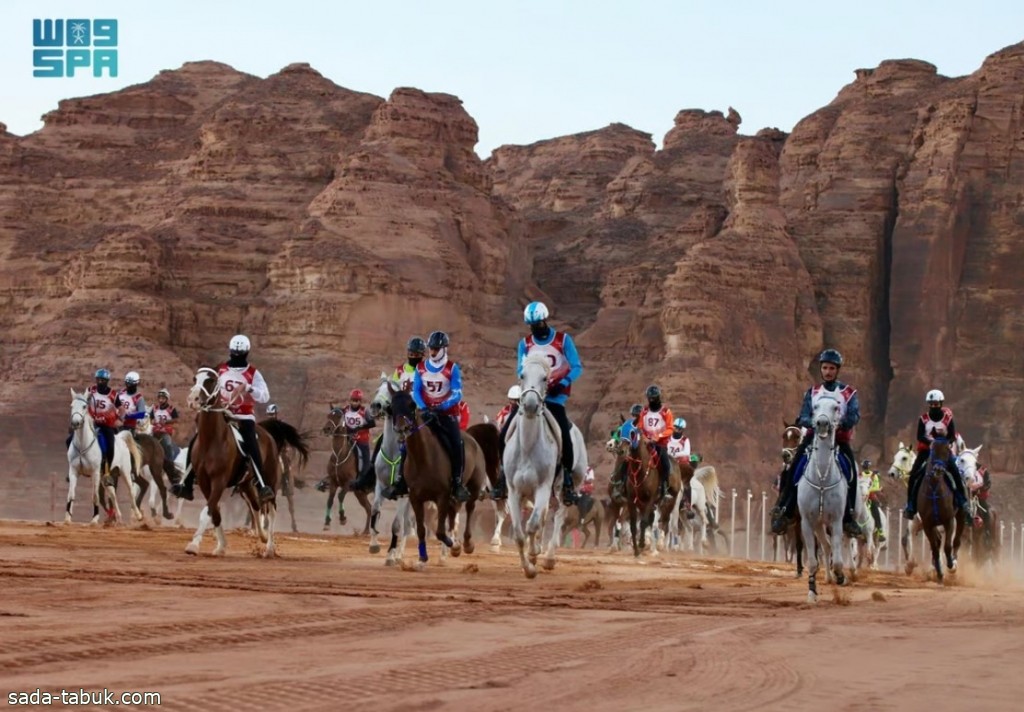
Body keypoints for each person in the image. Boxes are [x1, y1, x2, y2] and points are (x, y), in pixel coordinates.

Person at [491, 302, 584, 503]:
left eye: (538, 323)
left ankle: (567, 480)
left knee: (565, 437)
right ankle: (502, 477)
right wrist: (531, 384)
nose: (535, 328)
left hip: (554, 398)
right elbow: (520, 370)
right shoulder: (524, 344)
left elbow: (576, 367)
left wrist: (563, 381)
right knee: (505, 433)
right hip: (531, 397)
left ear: (545, 320)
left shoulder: (563, 340)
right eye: (532, 325)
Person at [770, 348, 863, 537]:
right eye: (825, 368)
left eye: (831, 368)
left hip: (839, 439)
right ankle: (785, 510)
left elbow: (854, 415)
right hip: (814, 438)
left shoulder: (849, 393)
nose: (828, 371)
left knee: (851, 472)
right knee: (793, 467)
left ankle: (848, 517)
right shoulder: (812, 392)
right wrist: (811, 422)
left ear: (837, 370)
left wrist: (840, 424)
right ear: (821, 369)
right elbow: (803, 415)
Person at [172, 334, 273, 503]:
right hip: (222, 412)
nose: (236, 355)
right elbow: (210, 389)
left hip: (243, 416)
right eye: (235, 352)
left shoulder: (253, 373)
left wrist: (248, 387)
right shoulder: (220, 370)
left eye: (238, 352)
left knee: (251, 443)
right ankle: (187, 483)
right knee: (197, 439)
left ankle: (262, 485)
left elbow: (265, 396)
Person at [382, 331, 470, 502]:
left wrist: (440, 406)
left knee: (457, 442)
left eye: (437, 349)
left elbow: (457, 393)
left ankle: (457, 483)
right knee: (409, 441)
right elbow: (416, 391)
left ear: (444, 349)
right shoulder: (421, 368)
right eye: (431, 348)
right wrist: (423, 407)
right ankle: (401, 480)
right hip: (425, 414)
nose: (433, 352)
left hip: (447, 415)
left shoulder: (452, 368)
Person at [349, 337, 425, 493]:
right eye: (410, 352)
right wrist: (390, 406)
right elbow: (392, 389)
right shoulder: (400, 370)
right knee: (384, 438)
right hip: (401, 412)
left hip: (417, 412)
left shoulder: (426, 371)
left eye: (416, 353)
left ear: (422, 355)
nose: (413, 356)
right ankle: (369, 474)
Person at [903, 389, 970, 519]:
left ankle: (963, 502)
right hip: (926, 451)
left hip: (943, 451)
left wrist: (942, 443)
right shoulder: (923, 419)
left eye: (936, 404)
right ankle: (910, 506)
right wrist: (930, 443)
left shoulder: (948, 419)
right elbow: (919, 436)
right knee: (913, 476)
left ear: (941, 403)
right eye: (931, 404)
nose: (934, 406)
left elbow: (951, 435)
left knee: (955, 473)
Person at [320, 389, 376, 492]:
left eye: (357, 400)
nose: (355, 402)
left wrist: (359, 428)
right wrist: (332, 408)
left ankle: (364, 481)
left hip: (361, 441)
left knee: (366, 461)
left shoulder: (364, 411)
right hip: (348, 438)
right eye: (353, 400)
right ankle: (329, 477)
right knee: (337, 454)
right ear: (350, 400)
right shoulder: (345, 410)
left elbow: (372, 423)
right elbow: (336, 413)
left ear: (360, 401)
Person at [638, 385, 676, 500]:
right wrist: (644, 437)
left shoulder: (665, 412)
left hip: (660, 443)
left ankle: (664, 487)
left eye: (653, 398)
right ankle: (623, 484)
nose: (651, 400)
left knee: (665, 464)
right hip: (645, 442)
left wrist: (657, 437)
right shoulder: (644, 411)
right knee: (629, 457)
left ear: (658, 397)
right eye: (649, 398)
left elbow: (670, 428)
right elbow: (640, 426)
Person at [609, 404, 644, 503]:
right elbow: (617, 434)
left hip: (644, 451)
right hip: (630, 452)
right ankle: (619, 486)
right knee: (623, 465)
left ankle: (662, 487)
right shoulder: (626, 426)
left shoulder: (644, 425)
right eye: (633, 415)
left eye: (637, 415)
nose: (635, 417)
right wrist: (613, 441)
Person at [149, 388, 180, 481]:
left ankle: (171, 464)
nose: (161, 400)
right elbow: (150, 419)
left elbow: (176, 419)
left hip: (165, 432)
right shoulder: (154, 409)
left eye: (163, 398)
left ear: (167, 399)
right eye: (160, 398)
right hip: (155, 431)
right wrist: (153, 421)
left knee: (168, 444)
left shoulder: (171, 409)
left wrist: (166, 421)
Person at [860, 459, 886, 542]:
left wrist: (868, 490)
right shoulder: (859, 475)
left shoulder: (874, 475)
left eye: (867, 466)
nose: (866, 468)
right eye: (865, 466)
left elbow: (876, 487)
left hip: (871, 497)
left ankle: (880, 529)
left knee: (875, 510)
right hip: (861, 497)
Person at [117, 371, 148, 436]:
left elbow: (141, 414)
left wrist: (128, 415)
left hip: (129, 426)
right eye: (127, 383)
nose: (128, 386)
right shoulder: (120, 393)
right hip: (116, 423)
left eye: (130, 384)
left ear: (136, 384)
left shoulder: (139, 398)